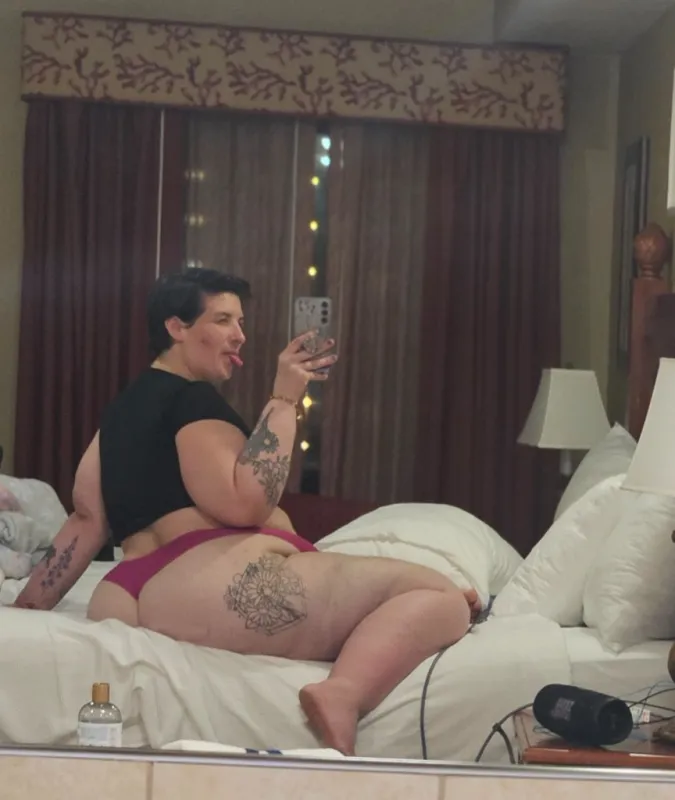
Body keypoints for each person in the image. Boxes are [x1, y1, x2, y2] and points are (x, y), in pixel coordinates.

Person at [14, 268, 479, 755]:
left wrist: (28, 608)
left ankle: (391, 624)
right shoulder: (192, 398)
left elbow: (86, 521)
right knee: (438, 595)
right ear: (177, 328)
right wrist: (285, 398)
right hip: (210, 578)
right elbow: (246, 502)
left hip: (124, 590)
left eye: (240, 321)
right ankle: (342, 693)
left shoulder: (118, 415)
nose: (240, 335)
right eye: (223, 320)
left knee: (404, 601)